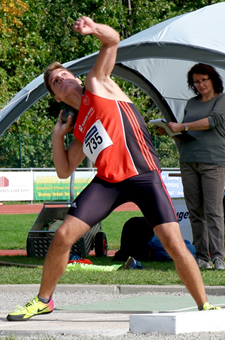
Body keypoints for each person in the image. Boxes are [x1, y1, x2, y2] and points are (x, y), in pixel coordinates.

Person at [7, 17, 220, 322]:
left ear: (75, 78)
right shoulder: (79, 125)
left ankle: (204, 305)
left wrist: (93, 29)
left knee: (173, 243)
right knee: (64, 235)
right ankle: (43, 300)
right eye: (56, 81)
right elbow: (65, 169)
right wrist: (57, 135)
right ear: (55, 96)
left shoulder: (98, 83)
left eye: (65, 74)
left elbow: (113, 40)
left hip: (142, 174)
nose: (63, 79)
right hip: (109, 182)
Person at [158, 63, 225, 270]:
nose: (201, 84)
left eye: (204, 79)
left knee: (213, 210)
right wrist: (170, 132)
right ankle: (202, 257)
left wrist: (183, 126)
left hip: (213, 161)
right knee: (195, 211)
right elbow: (186, 133)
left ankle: (219, 258)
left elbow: (212, 122)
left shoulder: (222, 99)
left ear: (213, 79)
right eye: (196, 81)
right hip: (188, 160)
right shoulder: (191, 103)